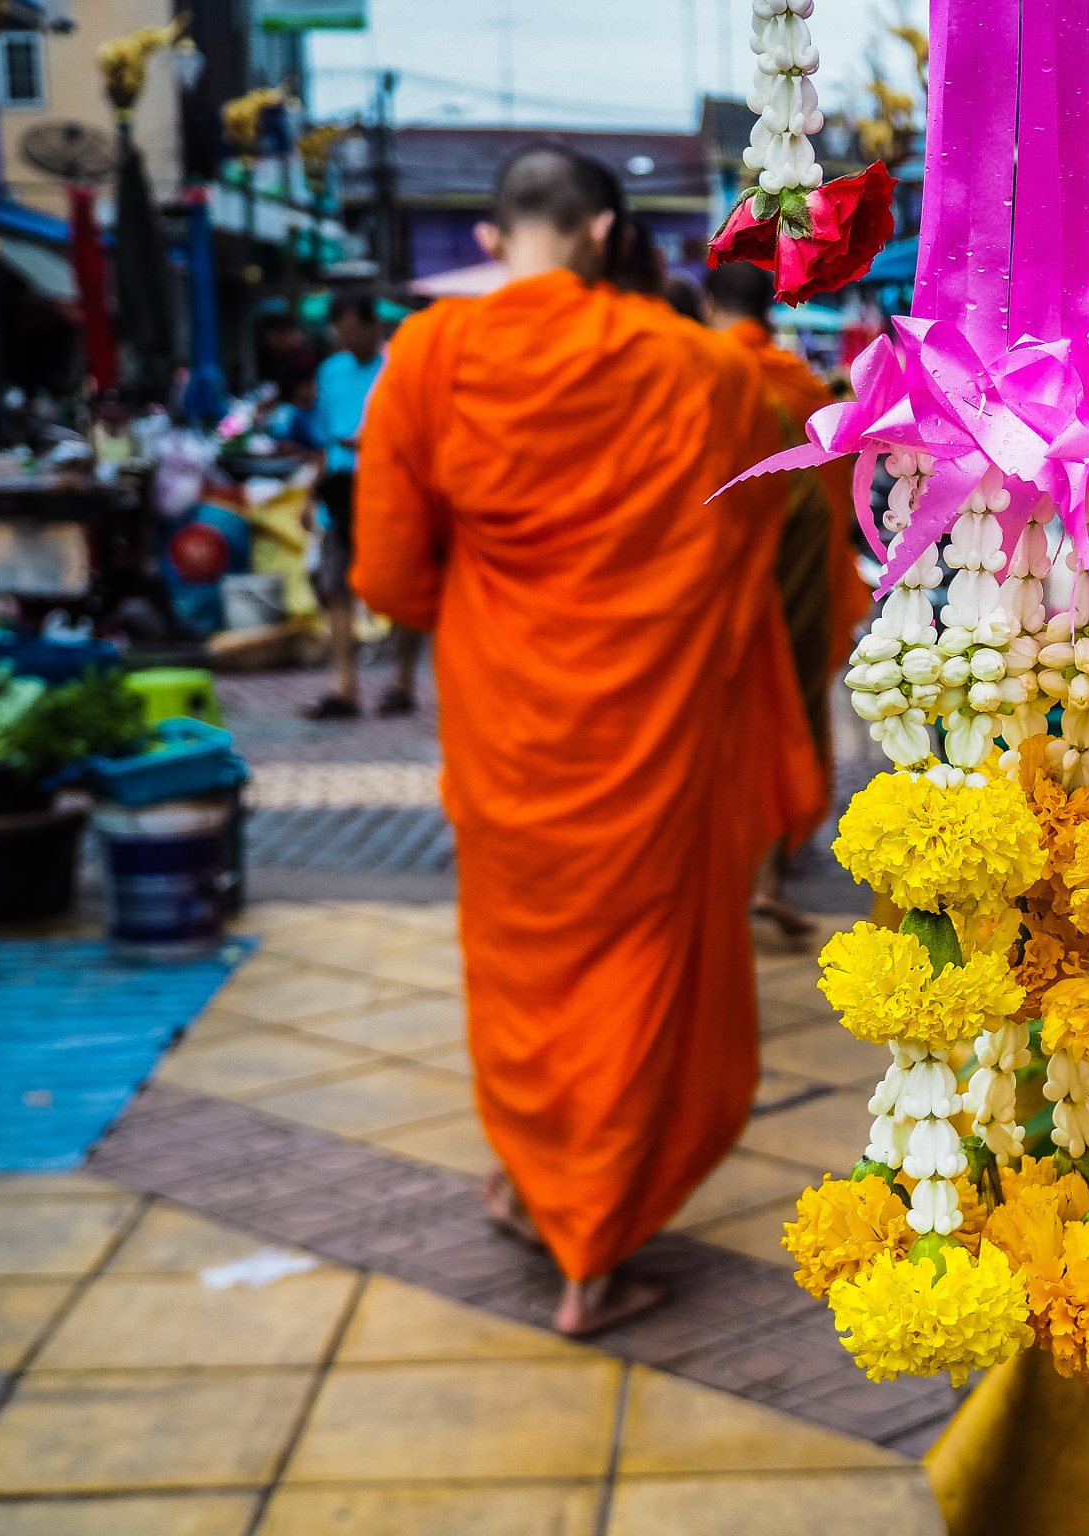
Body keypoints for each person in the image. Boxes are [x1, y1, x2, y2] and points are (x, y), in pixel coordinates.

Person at [350, 142, 824, 1335]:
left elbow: (395, 577)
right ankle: (589, 1255)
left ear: (491, 240)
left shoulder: (428, 354)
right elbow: (764, 516)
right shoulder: (695, 367)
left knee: (522, 970)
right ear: (610, 232)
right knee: (633, 974)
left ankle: (536, 1181)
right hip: (648, 728)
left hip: (508, 723)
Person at [704, 263, 872, 939]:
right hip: (800, 577)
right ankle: (773, 854)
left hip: (727, 577)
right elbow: (835, 492)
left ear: (711, 306)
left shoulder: (711, 377)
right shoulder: (800, 386)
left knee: (735, 716)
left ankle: (751, 863)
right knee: (788, 705)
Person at [305, 293, 425, 719]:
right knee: (335, 584)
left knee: (404, 582)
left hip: (390, 486)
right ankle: (345, 685)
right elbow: (323, 439)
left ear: (375, 326)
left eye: (357, 328)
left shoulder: (398, 366)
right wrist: (311, 496)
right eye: (342, 330)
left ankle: (404, 681)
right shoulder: (330, 372)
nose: (349, 337)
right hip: (341, 488)